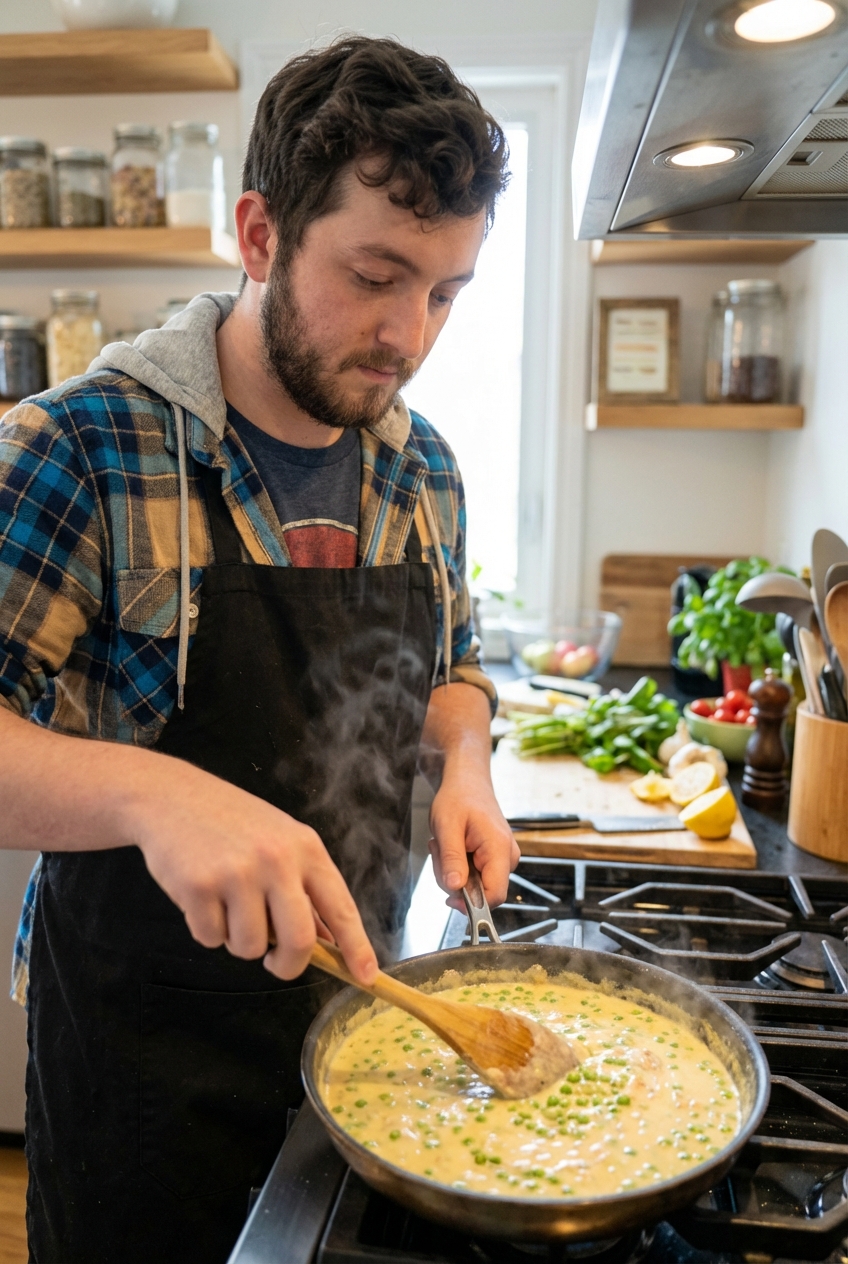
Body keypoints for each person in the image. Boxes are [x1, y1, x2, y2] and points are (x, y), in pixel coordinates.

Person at [0, 35, 520, 1264]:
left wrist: (465, 760)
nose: (407, 334)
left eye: (444, 292)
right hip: (140, 1066)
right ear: (259, 233)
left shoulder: (420, 462)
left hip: (372, 1029)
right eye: (376, 275)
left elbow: (454, 660)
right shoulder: (80, 448)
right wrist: (155, 792)